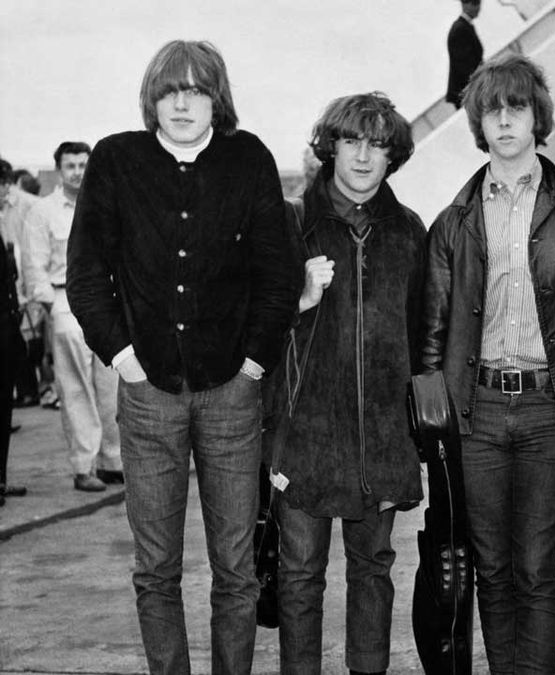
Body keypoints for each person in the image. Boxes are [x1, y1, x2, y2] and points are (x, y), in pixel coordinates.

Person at [66, 40, 301, 675]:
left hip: (231, 394)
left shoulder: (248, 159)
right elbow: (86, 274)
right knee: (156, 568)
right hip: (147, 396)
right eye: (170, 91)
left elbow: (277, 278)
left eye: (196, 90)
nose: (182, 103)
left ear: (216, 98)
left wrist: (254, 364)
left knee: (236, 568)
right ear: (153, 98)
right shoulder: (117, 160)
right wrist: (124, 358)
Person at [420, 53, 555, 673]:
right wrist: (433, 428)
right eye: (492, 111)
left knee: (537, 570)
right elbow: (432, 333)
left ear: (539, 118)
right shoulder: (452, 219)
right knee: (491, 568)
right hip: (476, 413)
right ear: (478, 125)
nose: (505, 122)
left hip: (546, 409)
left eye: (517, 108)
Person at [269, 92, 426, 675]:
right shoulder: (290, 224)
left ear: (393, 158)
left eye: (378, 146)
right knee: (300, 575)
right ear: (330, 147)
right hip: (304, 438)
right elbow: (253, 329)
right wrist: (300, 299)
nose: (363, 157)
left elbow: (423, 338)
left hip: (382, 439)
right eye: (352, 142)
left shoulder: (409, 231)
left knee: (374, 570)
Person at [23, 141, 123, 492]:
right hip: (66, 302)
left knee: (112, 386)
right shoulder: (43, 211)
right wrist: (51, 305)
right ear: (59, 168)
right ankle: (84, 466)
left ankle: (113, 461)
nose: (78, 172)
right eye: (71, 166)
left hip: (107, 302)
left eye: (83, 164)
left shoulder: (105, 203)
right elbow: (33, 267)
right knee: (76, 388)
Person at [0, 157, 29, 505]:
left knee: (4, 407)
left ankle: (1, 480)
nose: (7, 191)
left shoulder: (7, 221)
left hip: (7, 327)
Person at [445, 0, 483, 109]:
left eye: (479, 3)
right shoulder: (459, 29)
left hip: (471, 90)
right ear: (464, 4)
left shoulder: (466, 26)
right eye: (475, 3)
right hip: (465, 93)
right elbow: (464, 66)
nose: (478, 7)